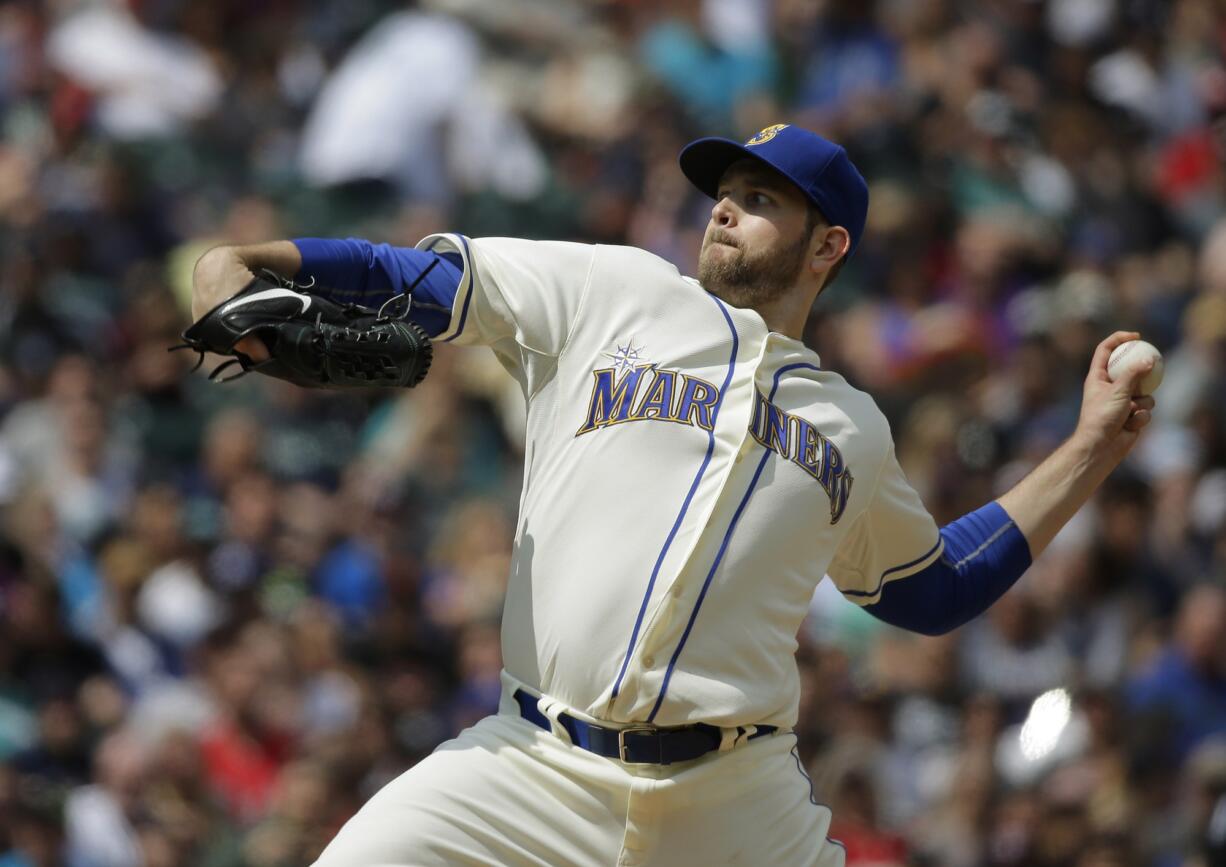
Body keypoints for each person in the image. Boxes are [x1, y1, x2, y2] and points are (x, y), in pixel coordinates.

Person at [191, 124, 1157, 867]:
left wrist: (1091, 446)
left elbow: (932, 588)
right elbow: (415, 278)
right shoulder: (612, 292)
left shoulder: (851, 427)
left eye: (760, 198)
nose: (726, 209)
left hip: (733, 801)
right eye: (724, 192)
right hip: (531, 767)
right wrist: (243, 263)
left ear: (828, 246)